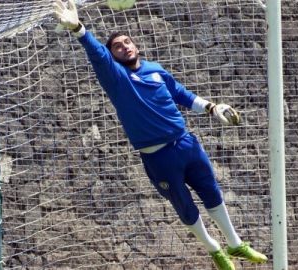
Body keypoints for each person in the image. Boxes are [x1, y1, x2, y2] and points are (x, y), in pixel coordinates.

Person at [53, 1, 268, 269]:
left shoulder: (155, 69)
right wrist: (79, 29)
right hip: (159, 158)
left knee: (212, 192)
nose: (125, 46)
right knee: (185, 207)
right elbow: (98, 54)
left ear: (136, 46)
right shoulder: (116, 78)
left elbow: (180, 93)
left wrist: (213, 108)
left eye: (127, 41)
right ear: (113, 56)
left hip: (187, 144)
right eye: (117, 46)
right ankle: (214, 249)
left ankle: (236, 244)